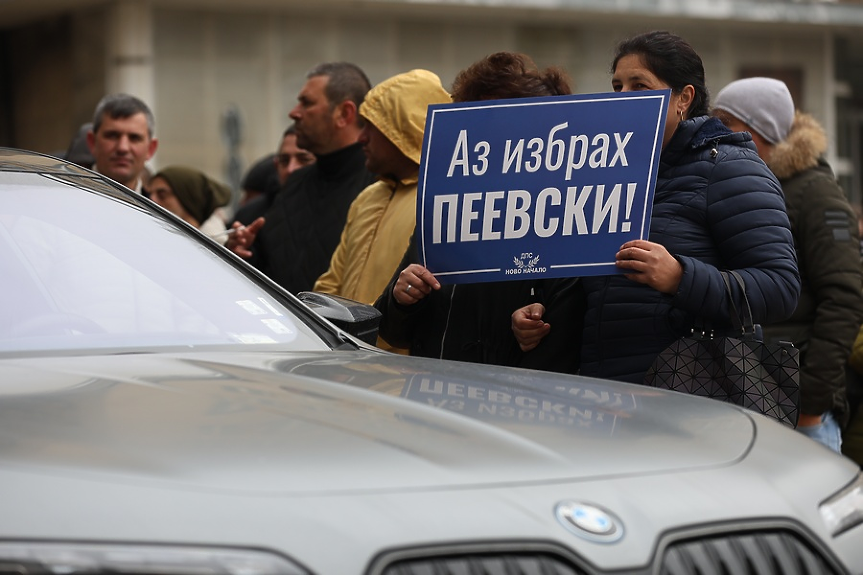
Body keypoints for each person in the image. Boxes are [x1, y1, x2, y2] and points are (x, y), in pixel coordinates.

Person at [512, 31, 800, 385]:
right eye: (617, 86)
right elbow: (592, 281)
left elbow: (780, 288)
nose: (623, 98)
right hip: (606, 395)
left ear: (684, 98)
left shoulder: (728, 168)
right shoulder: (604, 174)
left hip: (692, 398)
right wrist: (541, 312)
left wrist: (681, 277)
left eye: (640, 86)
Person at [373, 52, 582, 373]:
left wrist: (533, 327)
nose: (480, 136)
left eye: (494, 121)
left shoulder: (566, 221)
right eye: (472, 117)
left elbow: (571, 345)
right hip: (428, 405)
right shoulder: (443, 210)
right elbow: (392, 332)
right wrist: (402, 299)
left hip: (501, 411)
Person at [711, 77, 863, 453]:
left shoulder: (816, 195)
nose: (715, 134)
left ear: (758, 130)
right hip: (747, 397)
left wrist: (810, 402)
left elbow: (844, 299)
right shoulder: (744, 187)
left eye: (726, 123)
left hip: (799, 413)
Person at [226, 62, 376, 294]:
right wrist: (244, 254)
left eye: (307, 103)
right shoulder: (295, 184)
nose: (294, 113)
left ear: (344, 114)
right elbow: (277, 272)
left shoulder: (378, 187)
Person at [313, 69, 450, 310]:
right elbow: (330, 285)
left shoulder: (441, 199)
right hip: (344, 347)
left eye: (371, 126)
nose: (361, 138)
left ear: (403, 130)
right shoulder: (368, 197)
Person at [232, 125, 315, 227]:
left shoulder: (336, 208)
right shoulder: (249, 217)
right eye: (284, 161)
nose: (291, 169)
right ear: (276, 165)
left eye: (304, 160)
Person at [86, 93, 158, 194]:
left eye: (134, 138)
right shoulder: (64, 201)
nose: (122, 148)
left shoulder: (158, 208)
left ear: (151, 149)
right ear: (92, 142)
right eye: (112, 136)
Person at [148, 166, 232, 241]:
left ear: (187, 199)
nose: (152, 200)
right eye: (150, 194)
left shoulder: (214, 246)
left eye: (162, 194)